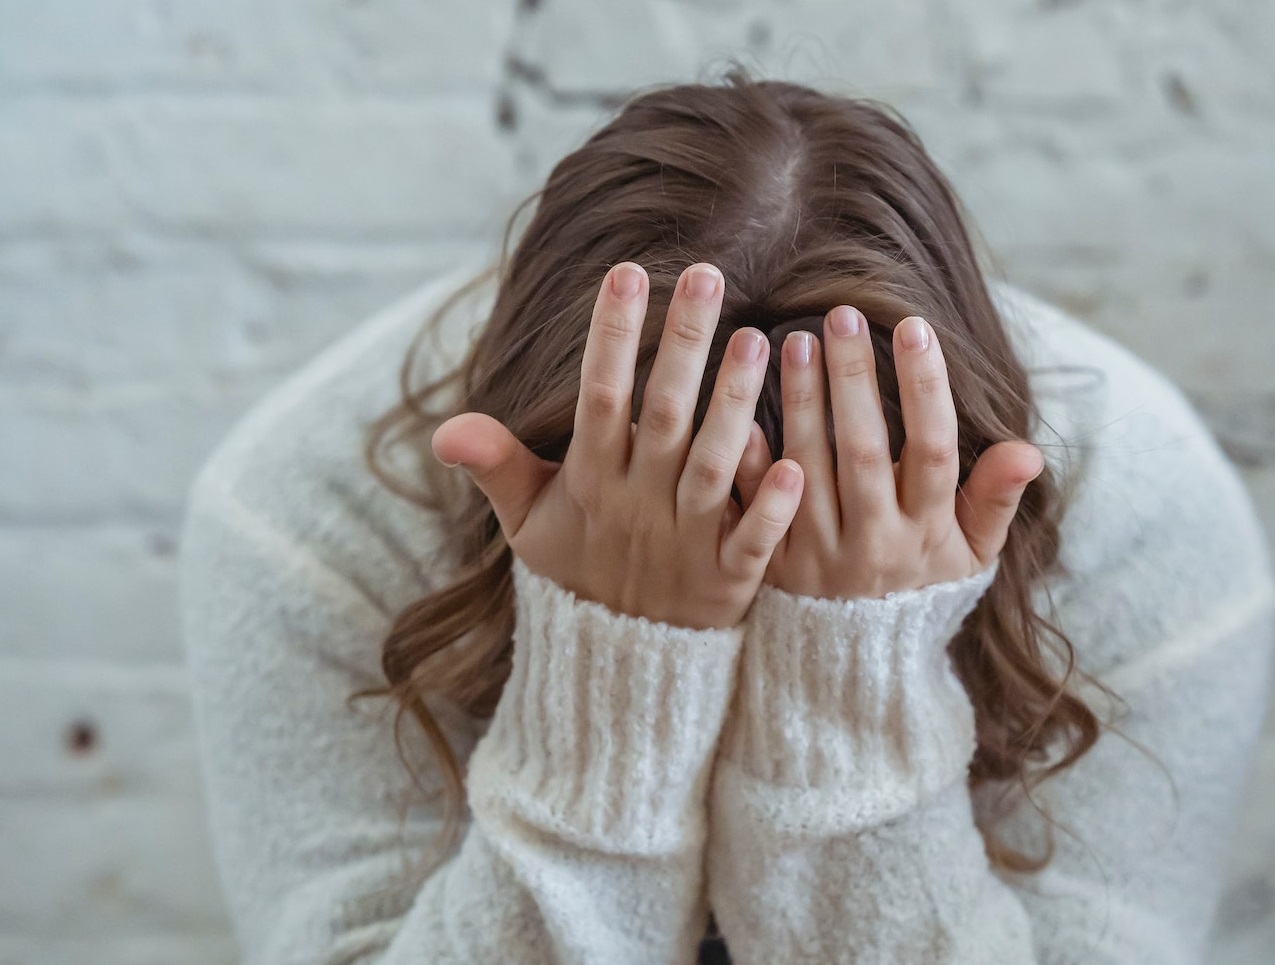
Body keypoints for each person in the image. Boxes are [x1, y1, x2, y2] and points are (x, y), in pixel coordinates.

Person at [180, 68, 1275, 964]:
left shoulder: (1147, 519)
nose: (748, 580)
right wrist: (609, 675)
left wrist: (854, 681)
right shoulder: (300, 515)